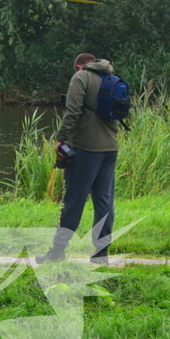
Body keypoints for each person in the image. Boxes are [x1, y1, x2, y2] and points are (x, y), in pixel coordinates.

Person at [37, 53, 119, 265]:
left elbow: (72, 111)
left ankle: (57, 252)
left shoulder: (80, 77)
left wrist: (60, 139)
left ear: (79, 66)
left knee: (73, 200)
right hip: (110, 148)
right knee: (104, 201)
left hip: (85, 148)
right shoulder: (110, 76)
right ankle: (101, 254)